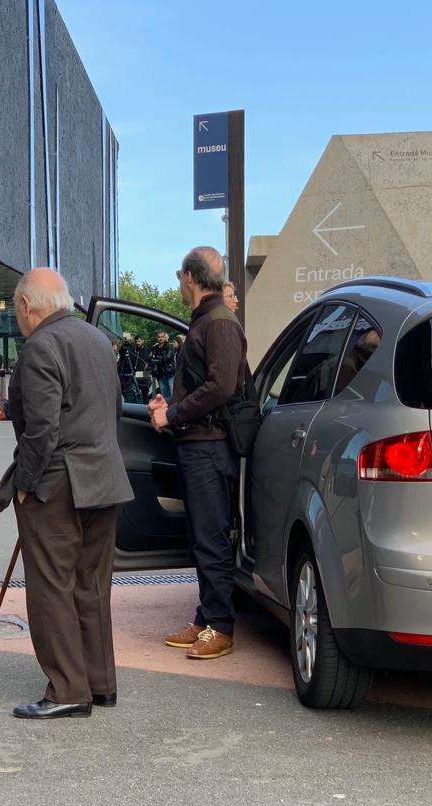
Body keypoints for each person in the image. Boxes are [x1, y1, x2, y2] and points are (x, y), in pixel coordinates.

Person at [0, 268, 133, 720]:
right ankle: (99, 682)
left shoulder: (40, 346)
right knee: (91, 586)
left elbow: (41, 431)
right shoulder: (96, 339)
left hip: (57, 483)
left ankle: (68, 690)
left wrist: (24, 484)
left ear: (27, 305)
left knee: (51, 587)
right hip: (104, 478)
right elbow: (112, 411)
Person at [149, 246, 247, 660]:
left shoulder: (219, 322)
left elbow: (221, 387)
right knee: (202, 538)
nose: (179, 281)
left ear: (190, 276)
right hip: (198, 445)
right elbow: (206, 383)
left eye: (179, 275)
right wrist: (167, 405)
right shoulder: (208, 320)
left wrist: (171, 413)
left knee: (210, 538)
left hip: (209, 446)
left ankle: (220, 626)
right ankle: (206, 619)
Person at [149, 330, 176, 400]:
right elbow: (150, 358)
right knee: (165, 395)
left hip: (170, 373)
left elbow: (167, 358)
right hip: (160, 374)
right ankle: (166, 409)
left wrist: (156, 358)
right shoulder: (155, 347)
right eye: (159, 337)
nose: (160, 338)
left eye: (162, 337)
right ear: (156, 338)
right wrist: (157, 359)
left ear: (165, 337)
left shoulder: (169, 346)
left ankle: (174, 409)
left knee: (173, 393)